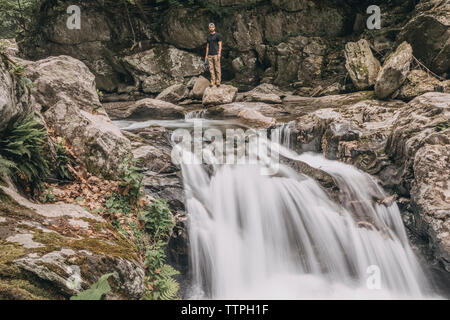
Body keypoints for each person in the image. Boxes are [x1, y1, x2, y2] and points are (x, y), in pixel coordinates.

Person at [205, 23, 223, 87]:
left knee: (217, 68)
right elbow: (207, 46)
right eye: (210, 27)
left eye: (212, 27)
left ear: (214, 28)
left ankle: (218, 81)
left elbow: (220, 45)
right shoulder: (208, 36)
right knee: (211, 69)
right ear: (209, 28)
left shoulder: (218, 35)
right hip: (210, 55)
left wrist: (219, 53)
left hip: (216, 54)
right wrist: (206, 55)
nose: (211, 28)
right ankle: (213, 81)